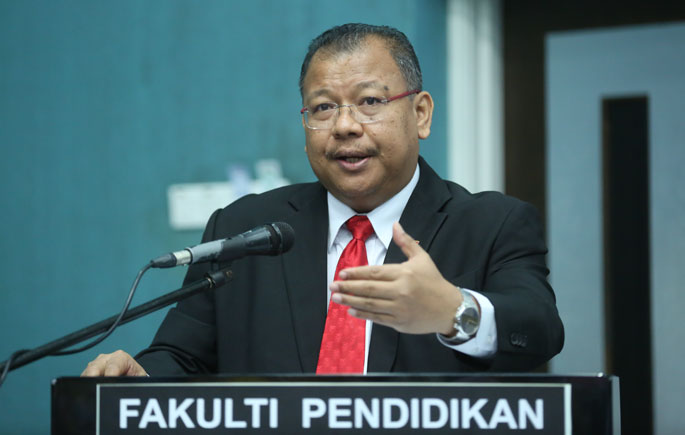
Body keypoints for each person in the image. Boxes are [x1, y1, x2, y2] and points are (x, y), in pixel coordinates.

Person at [82, 23, 563, 377]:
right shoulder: (245, 229)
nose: (345, 126)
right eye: (323, 107)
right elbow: (183, 356)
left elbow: (540, 332)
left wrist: (453, 311)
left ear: (420, 113)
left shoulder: (492, 224)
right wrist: (142, 376)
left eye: (370, 102)